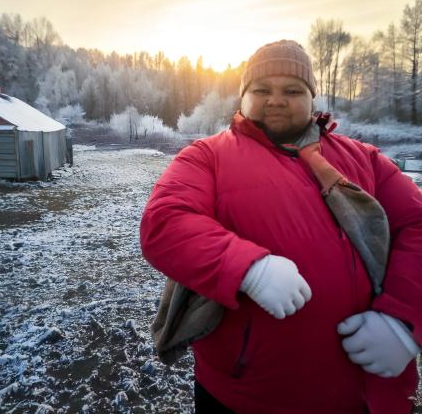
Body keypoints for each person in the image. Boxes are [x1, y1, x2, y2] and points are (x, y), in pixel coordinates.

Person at [140, 40, 422, 414]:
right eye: (262, 90)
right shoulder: (206, 156)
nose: (275, 100)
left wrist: (403, 320)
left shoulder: (365, 160)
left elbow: (417, 223)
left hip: (365, 396)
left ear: (312, 99)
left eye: (292, 90)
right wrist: (248, 268)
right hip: (244, 396)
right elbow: (165, 221)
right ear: (243, 97)